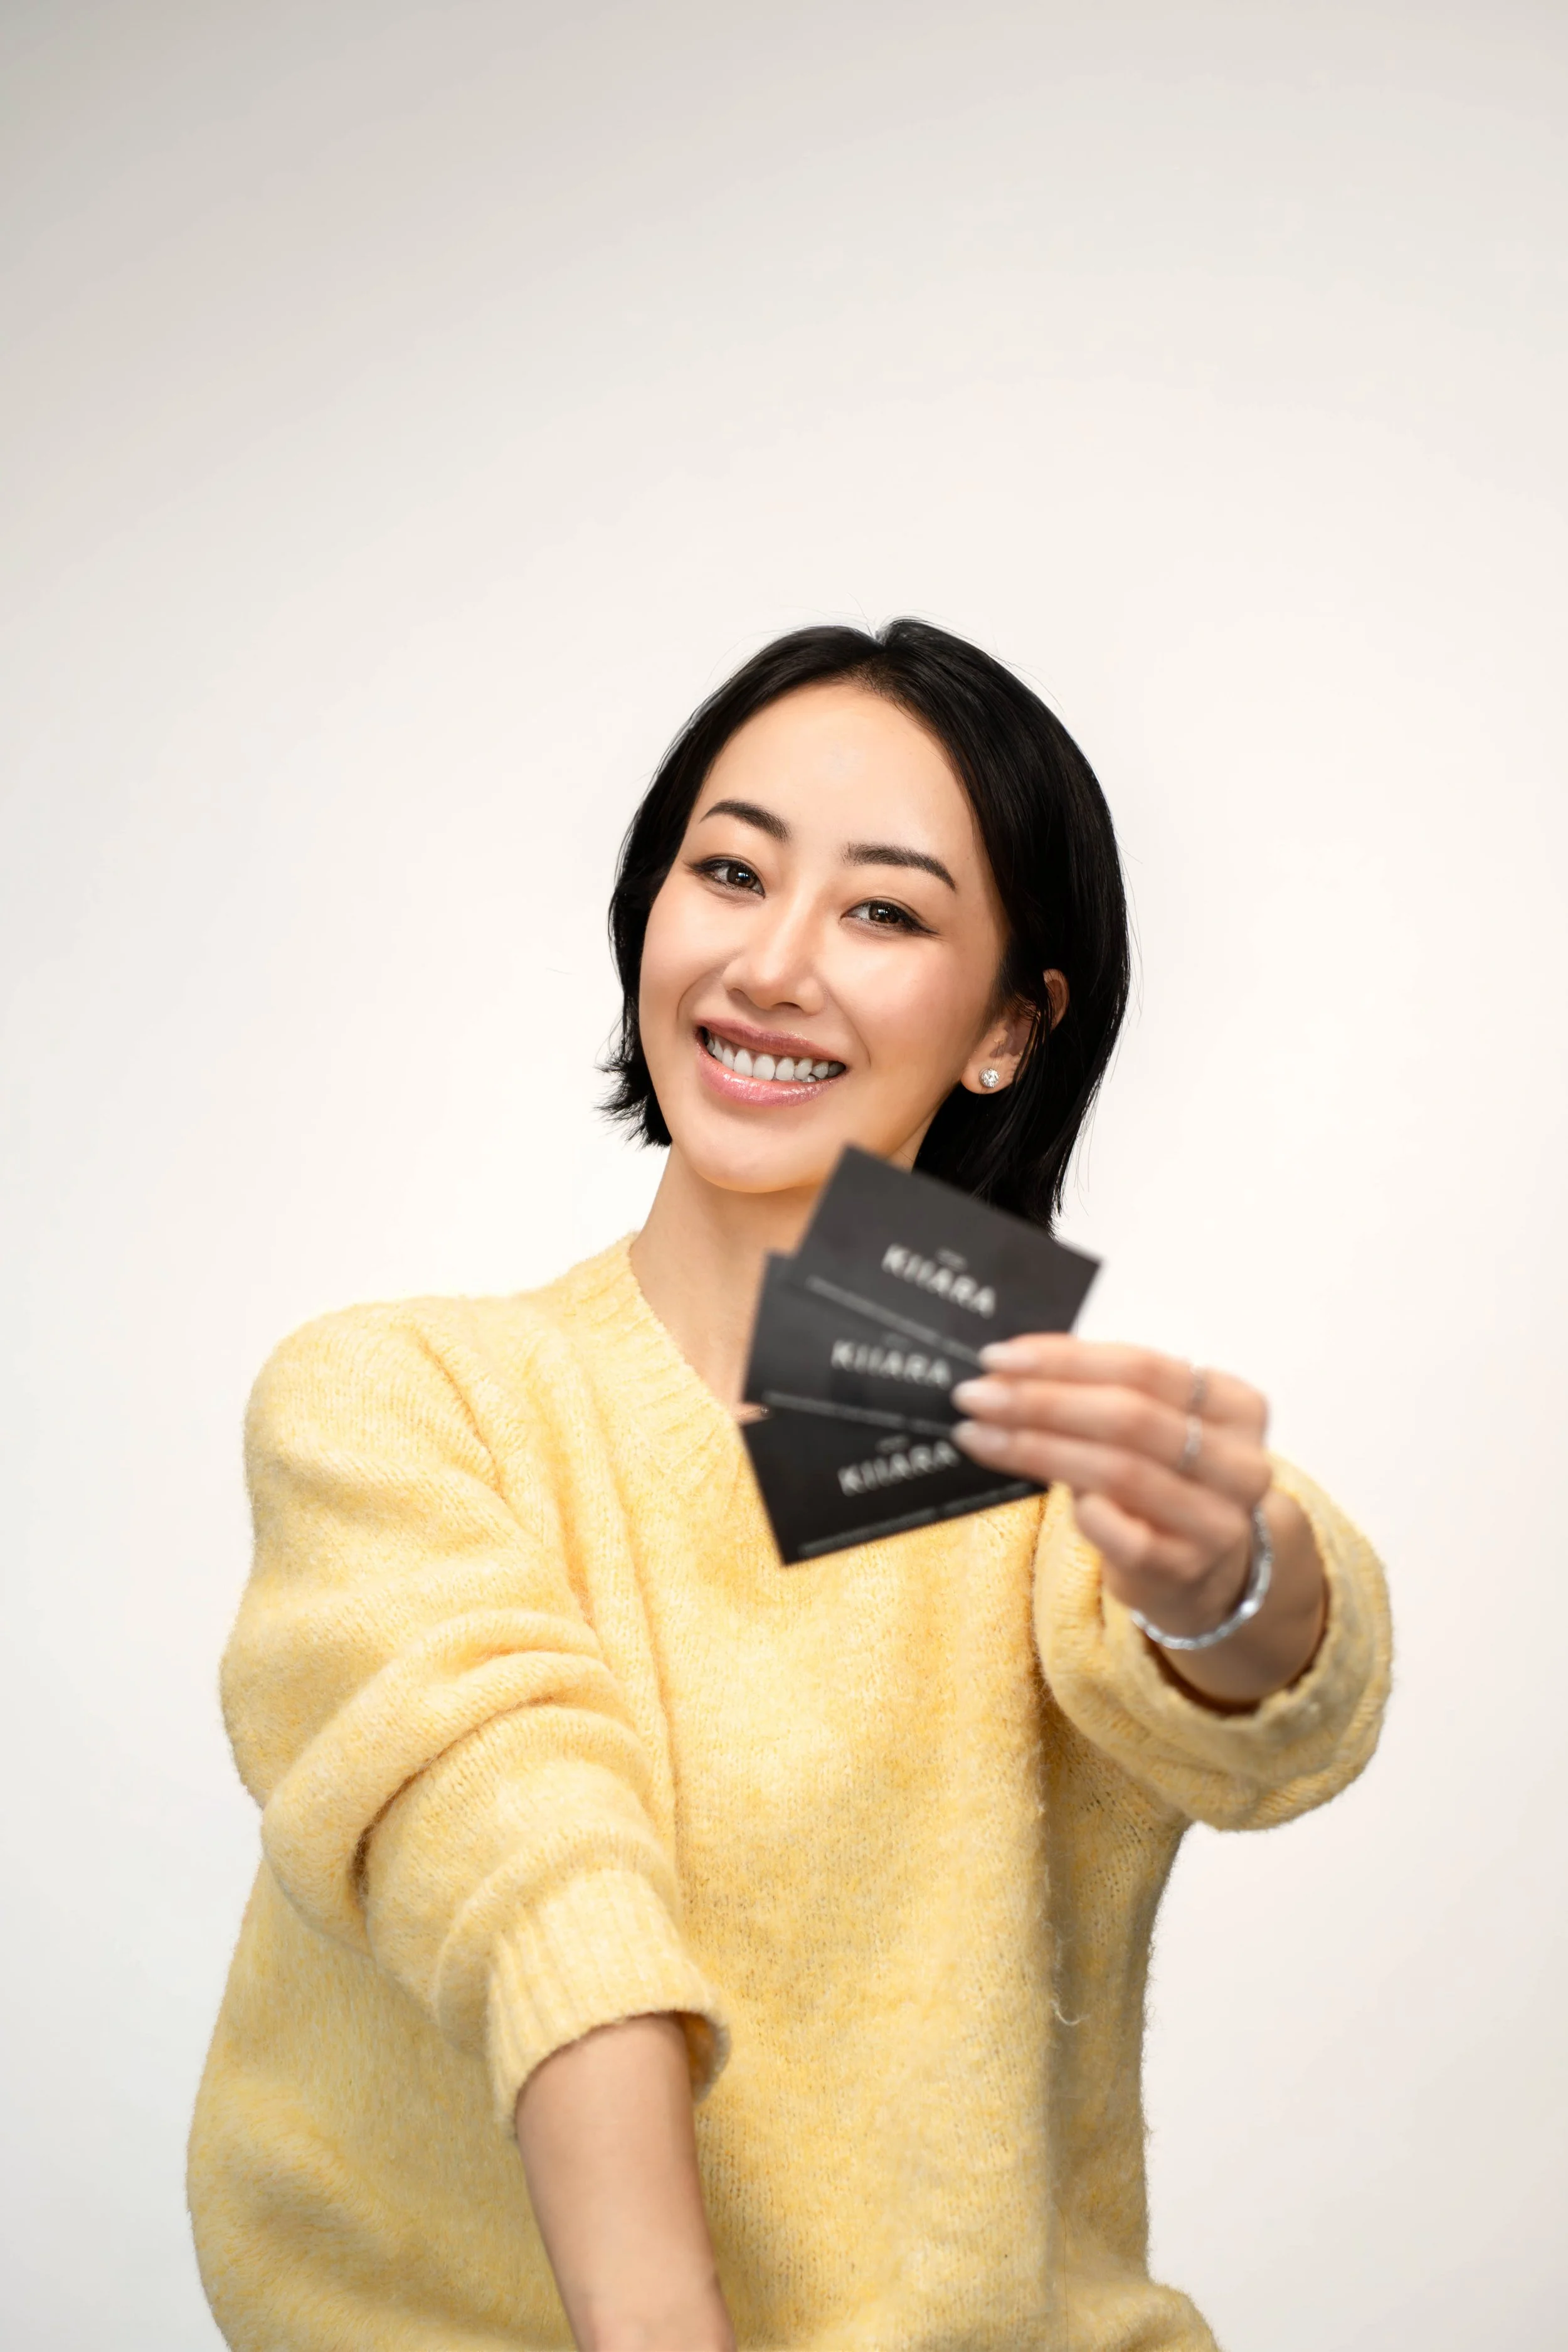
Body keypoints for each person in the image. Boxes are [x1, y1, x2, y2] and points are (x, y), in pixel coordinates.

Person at [188, 619, 1391, 2352]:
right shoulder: (401, 1397)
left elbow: (1270, 1706)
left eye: (884, 910)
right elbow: (530, 1868)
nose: (770, 962)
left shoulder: (1021, 1440)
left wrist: (1228, 1580)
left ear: (1005, 1026)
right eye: (728, 870)